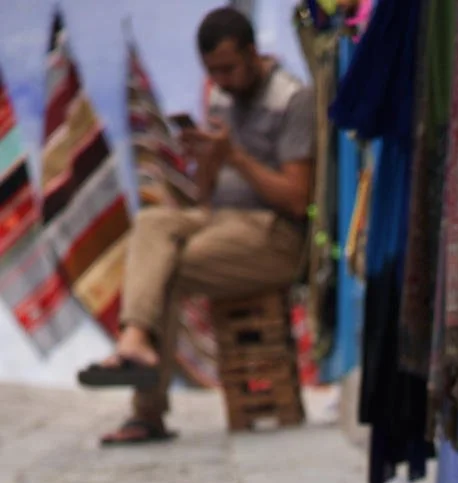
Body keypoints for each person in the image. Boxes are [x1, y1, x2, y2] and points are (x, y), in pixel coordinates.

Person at [80, 7, 315, 445]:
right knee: (152, 223)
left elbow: (298, 201)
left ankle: (146, 412)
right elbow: (207, 195)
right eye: (212, 71)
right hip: (221, 220)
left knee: (163, 269)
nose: (221, 79)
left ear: (252, 52)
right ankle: (135, 338)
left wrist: (236, 157)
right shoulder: (221, 96)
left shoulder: (292, 99)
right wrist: (207, 159)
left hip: (274, 236)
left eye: (228, 68)